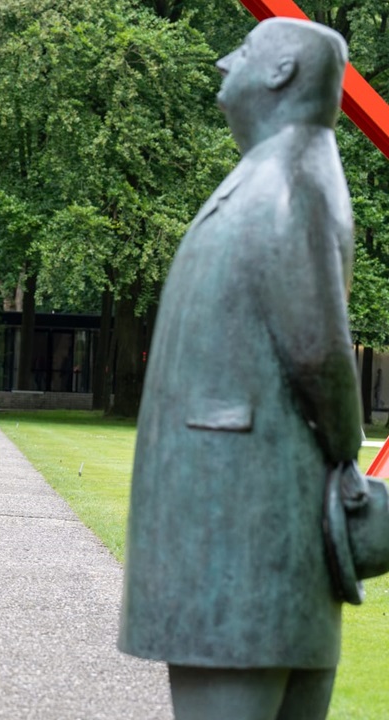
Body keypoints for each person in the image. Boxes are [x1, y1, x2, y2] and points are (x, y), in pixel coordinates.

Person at [118, 19, 363, 720]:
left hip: (241, 536)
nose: (228, 62)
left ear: (283, 73)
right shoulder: (283, 173)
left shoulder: (288, 181)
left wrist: (345, 449)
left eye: (249, 51)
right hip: (253, 537)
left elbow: (318, 352)